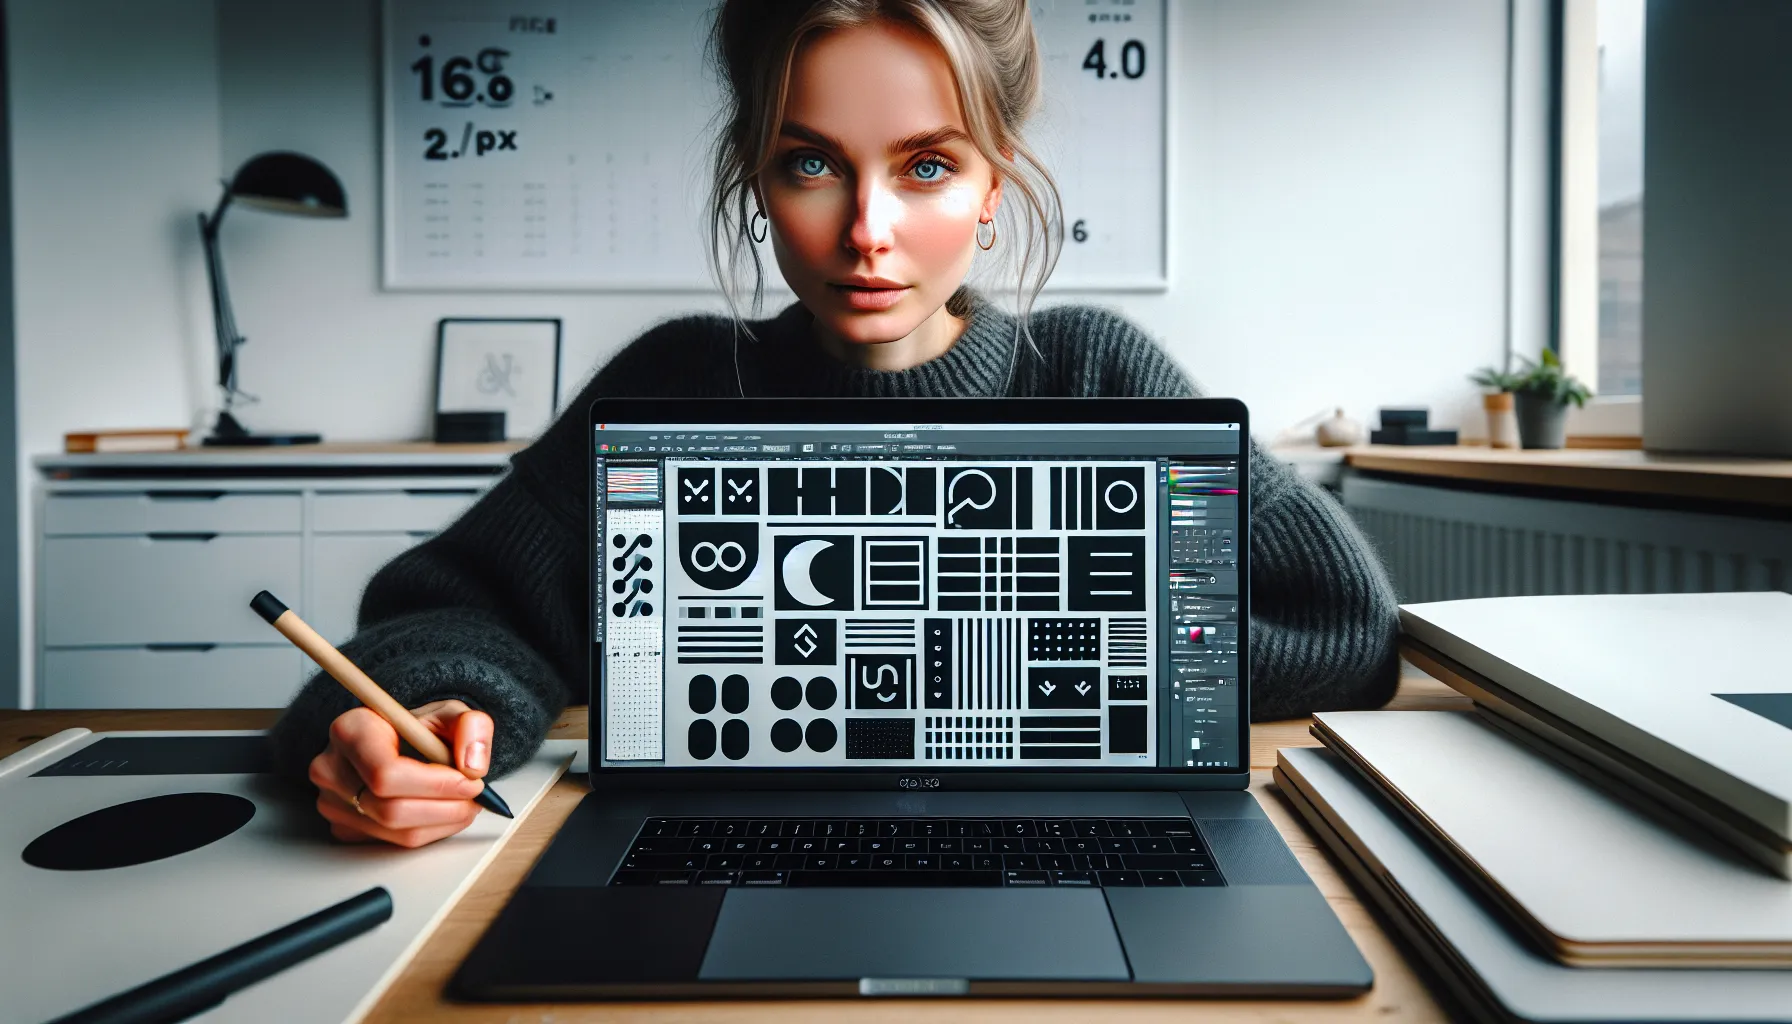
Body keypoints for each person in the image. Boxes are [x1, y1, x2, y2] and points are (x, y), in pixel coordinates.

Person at [270, 0, 1400, 848]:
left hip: (1061, 830)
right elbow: (437, 624)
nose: (867, 229)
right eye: (810, 162)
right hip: (715, 851)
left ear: (993, 187)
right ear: (756, 182)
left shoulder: (1098, 374)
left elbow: (1343, 624)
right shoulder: (675, 383)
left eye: (926, 167)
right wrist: (429, 722)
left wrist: (1001, 662)